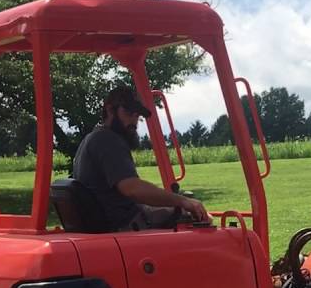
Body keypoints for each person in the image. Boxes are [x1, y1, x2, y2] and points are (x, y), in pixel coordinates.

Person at [72, 86, 209, 231]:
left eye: (137, 115)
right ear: (110, 110)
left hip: (111, 220)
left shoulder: (91, 138)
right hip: (125, 224)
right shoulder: (108, 141)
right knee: (193, 216)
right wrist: (182, 201)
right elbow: (132, 189)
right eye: (128, 113)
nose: (134, 121)